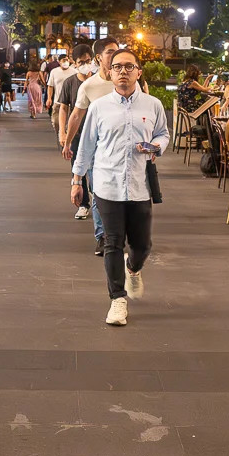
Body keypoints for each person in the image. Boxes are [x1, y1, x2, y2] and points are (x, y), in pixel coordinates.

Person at [71, 47, 170, 327]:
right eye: (117, 67)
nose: (123, 72)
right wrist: (77, 180)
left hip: (139, 186)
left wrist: (156, 146)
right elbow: (87, 146)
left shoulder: (153, 105)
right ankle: (117, 299)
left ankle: (133, 269)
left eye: (129, 67)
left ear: (139, 71)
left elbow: (163, 133)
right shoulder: (100, 107)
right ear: (110, 72)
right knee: (112, 243)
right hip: (106, 184)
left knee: (142, 245)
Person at [64, 41, 119, 251]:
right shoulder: (89, 86)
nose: (115, 57)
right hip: (97, 149)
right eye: (110, 52)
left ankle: (117, 232)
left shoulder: (126, 82)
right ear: (99, 58)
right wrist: (68, 142)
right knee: (98, 192)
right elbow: (76, 114)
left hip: (122, 149)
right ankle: (102, 236)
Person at [55, 45, 94, 148]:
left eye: (88, 61)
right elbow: (63, 108)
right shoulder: (69, 82)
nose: (85, 65)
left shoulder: (98, 80)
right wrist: (62, 132)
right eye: (81, 62)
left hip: (96, 133)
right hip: (76, 133)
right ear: (75, 64)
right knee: (77, 163)